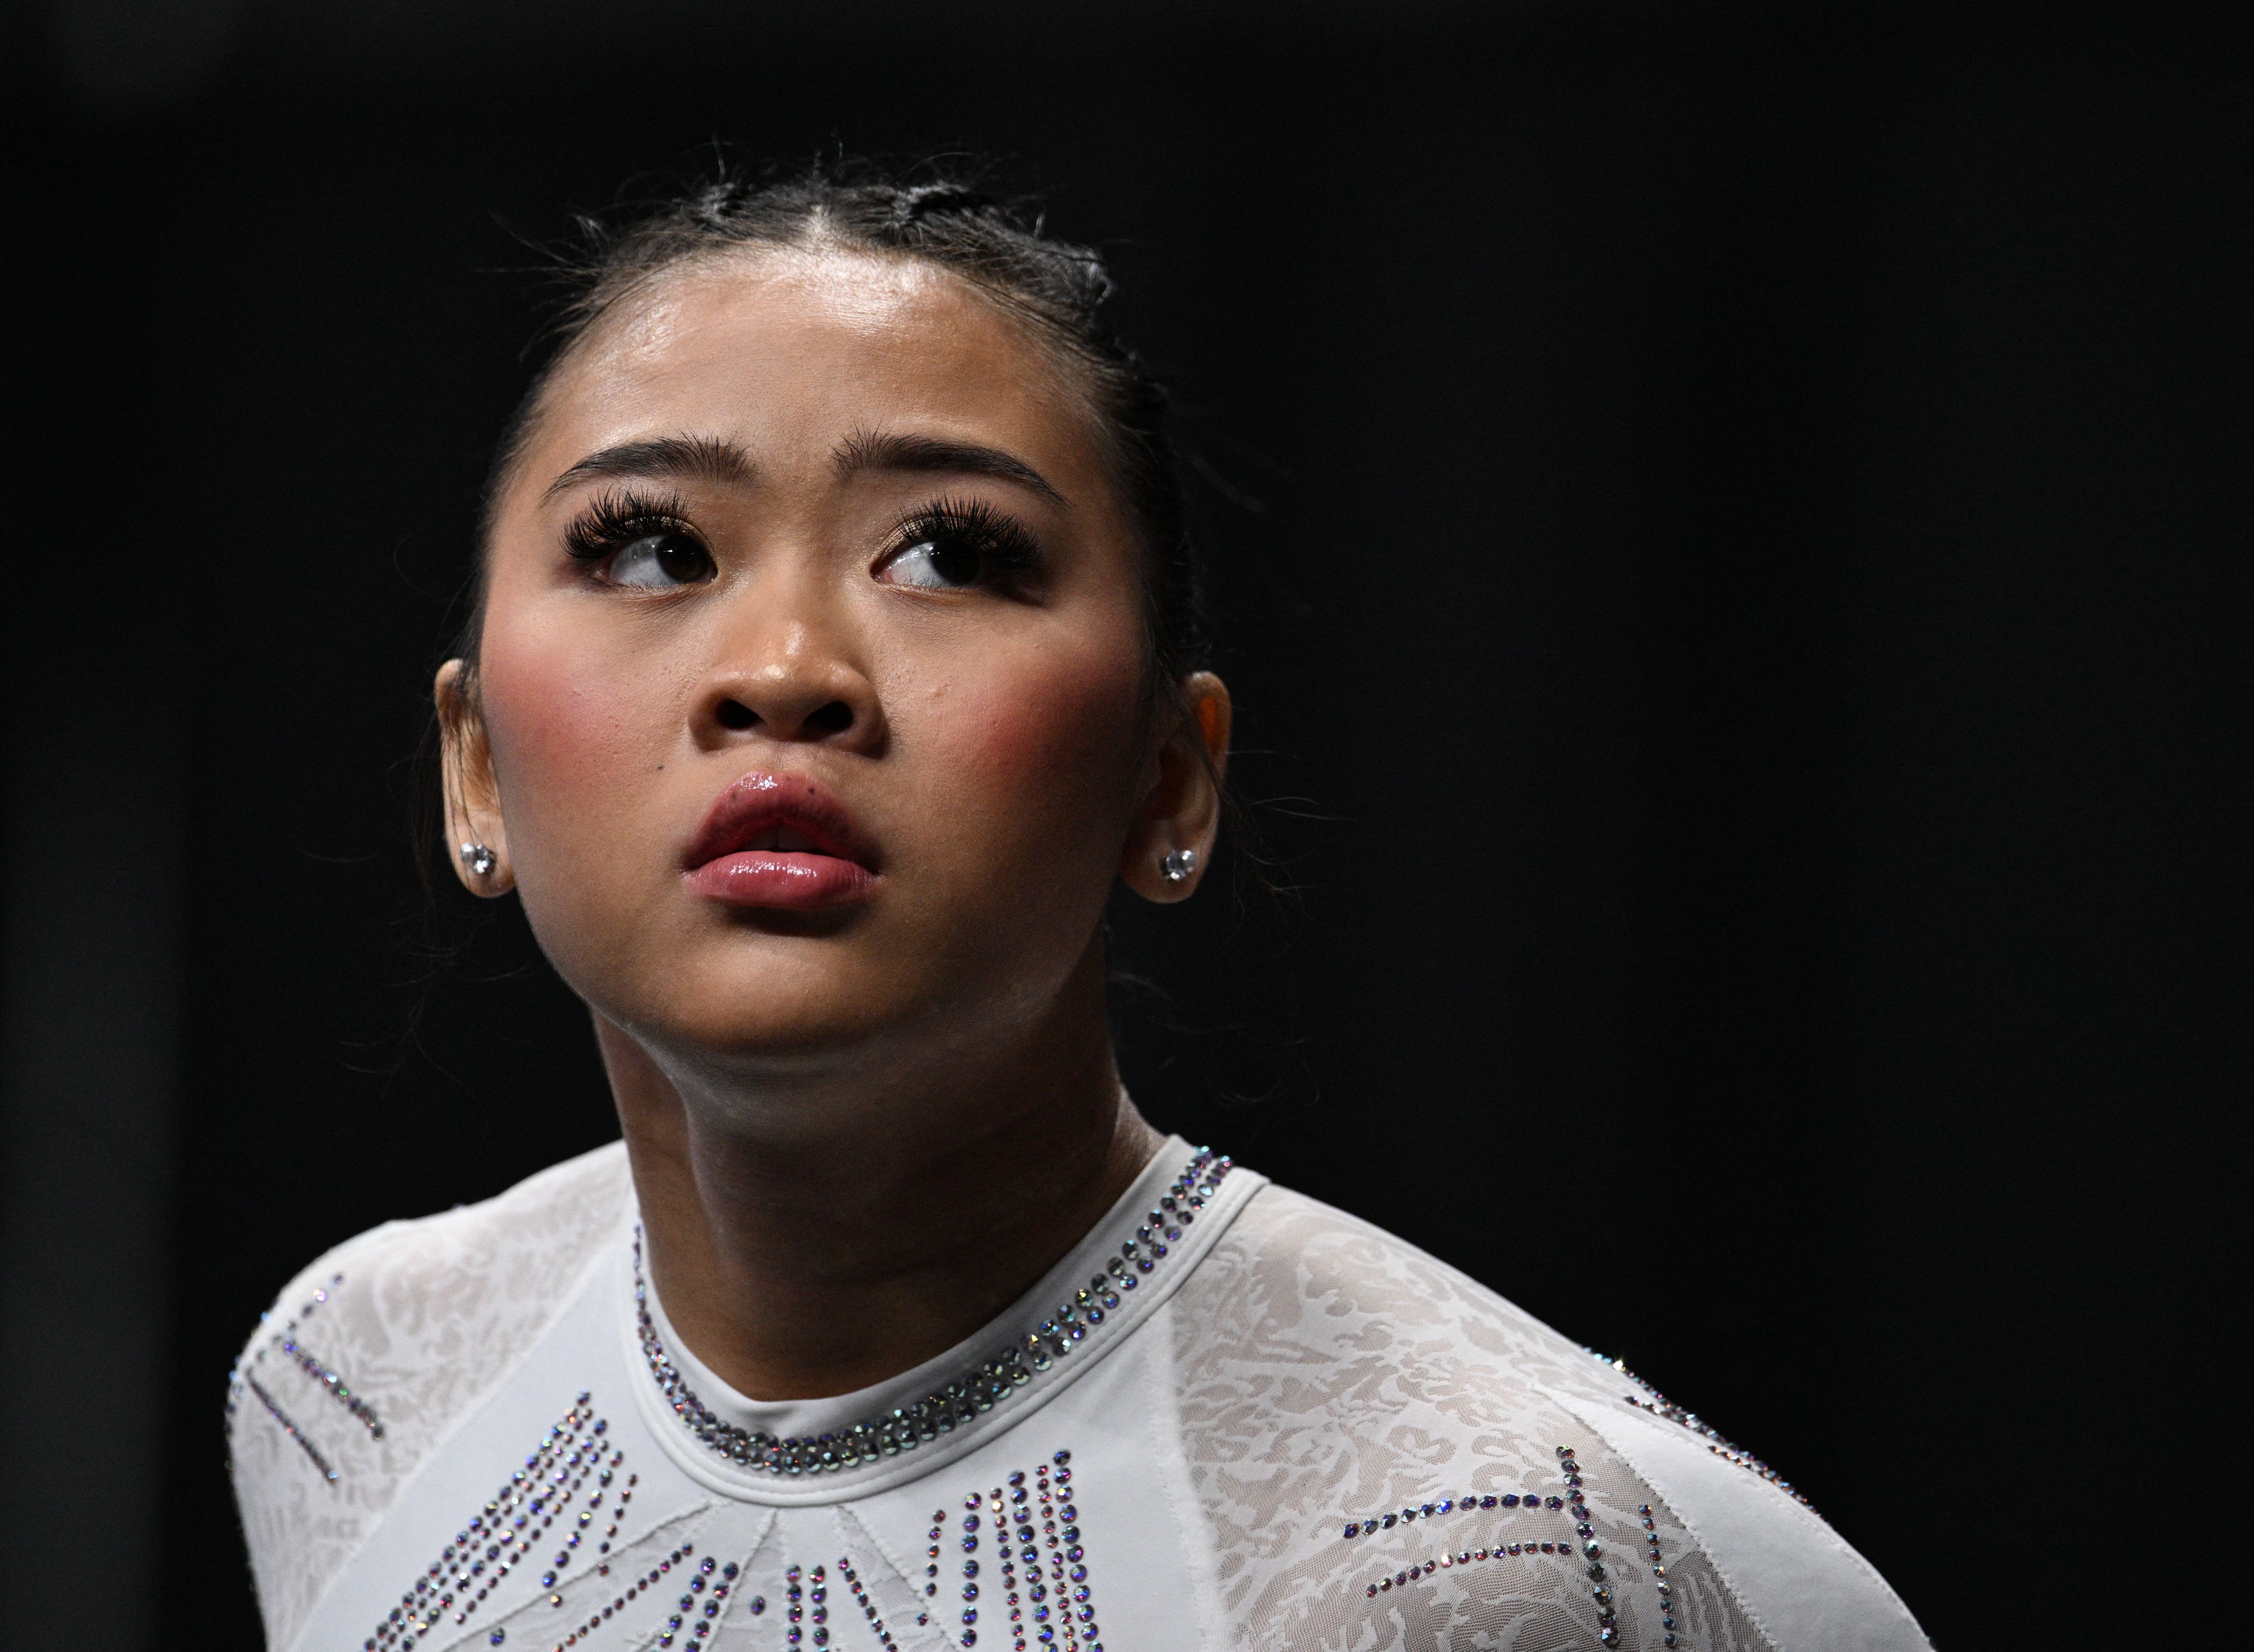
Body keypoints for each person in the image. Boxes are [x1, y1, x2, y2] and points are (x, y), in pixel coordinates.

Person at [227, 162, 1929, 1652]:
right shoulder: (352, 1384)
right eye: (654, 547)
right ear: (475, 771)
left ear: (1167, 778)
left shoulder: (1531, 1555)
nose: (785, 673)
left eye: (953, 553)